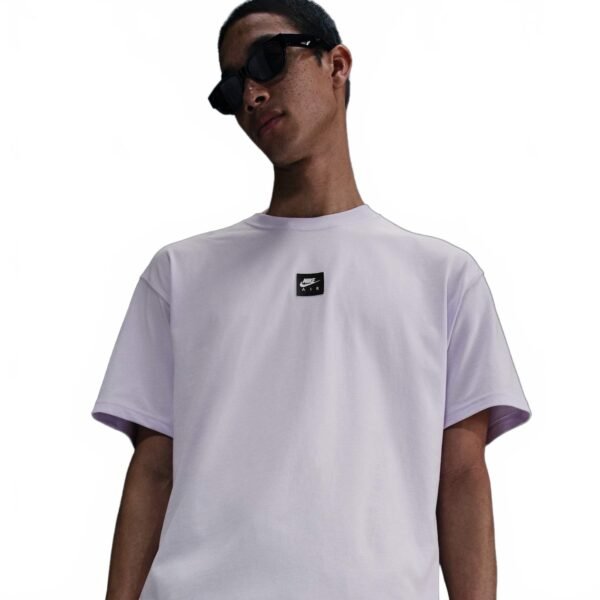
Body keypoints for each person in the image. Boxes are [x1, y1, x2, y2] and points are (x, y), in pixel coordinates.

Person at [91, 1, 533, 598]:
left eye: (269, 60)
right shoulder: (178, 274)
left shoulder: (445, 278)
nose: (252, 95)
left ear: (337, 65)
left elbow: (460, 477)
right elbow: (152, 470)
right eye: (232, 87)